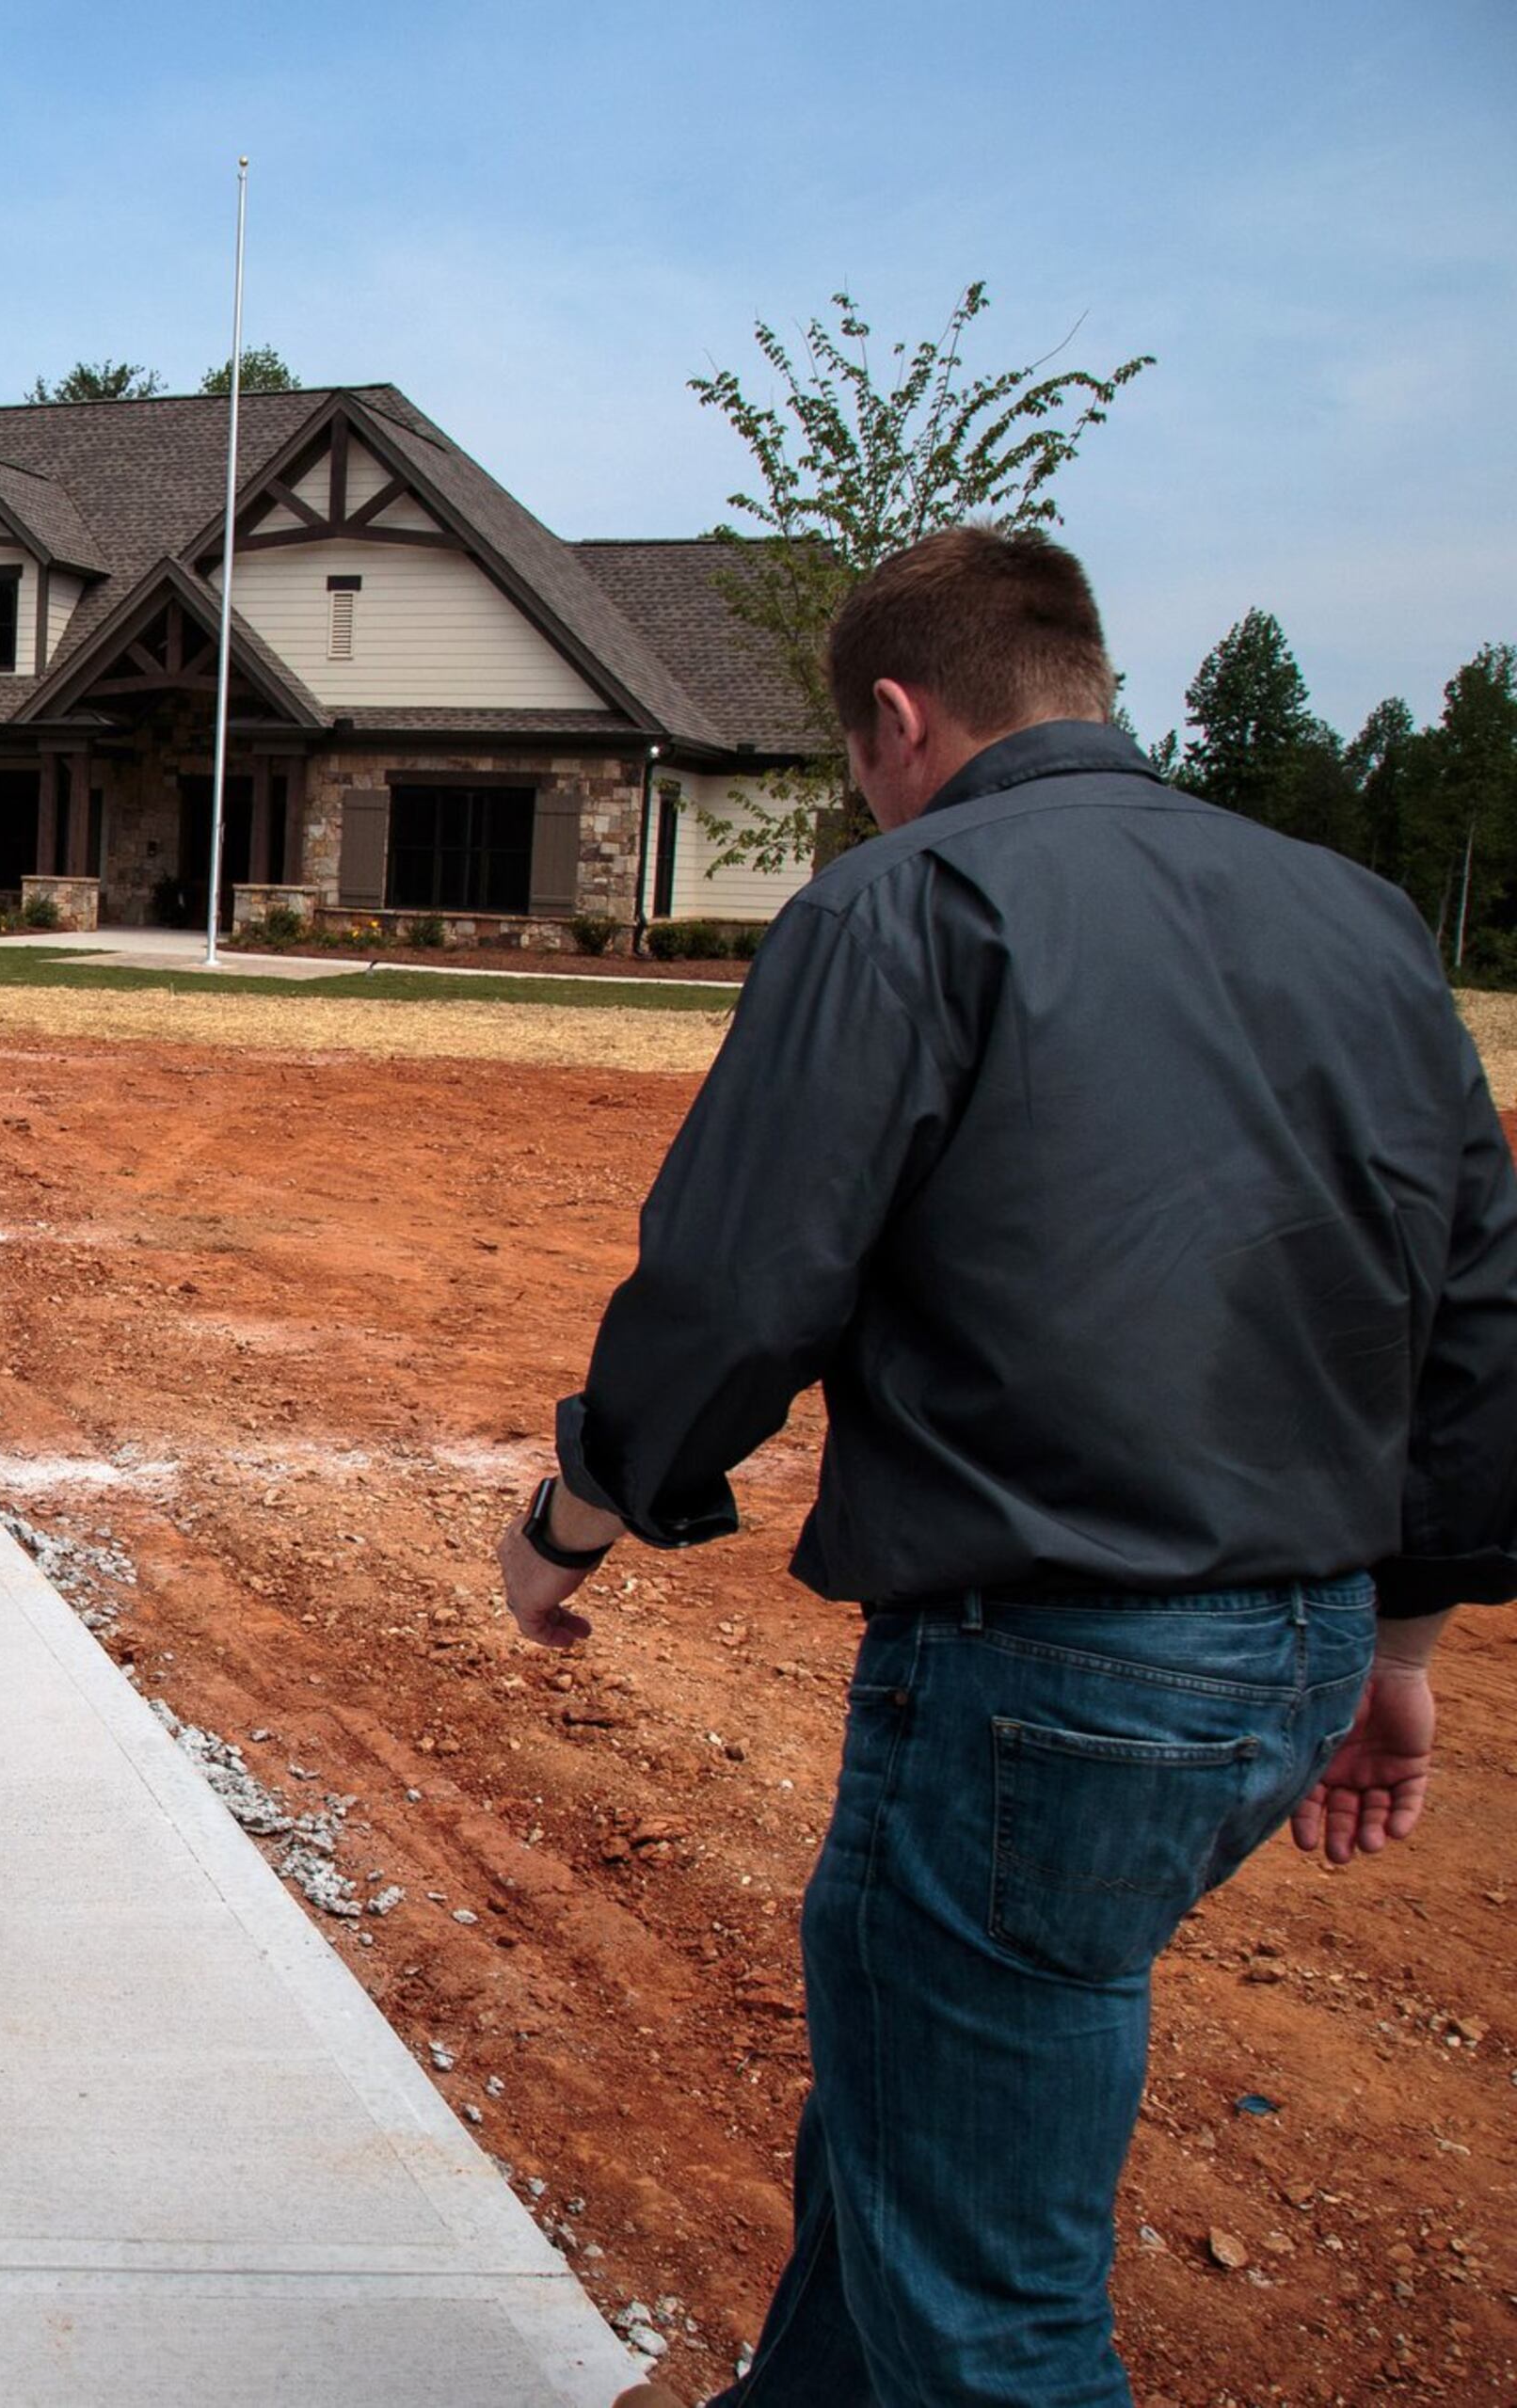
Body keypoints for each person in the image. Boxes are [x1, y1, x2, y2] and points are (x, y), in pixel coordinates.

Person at [499, 527, 1517, 2408]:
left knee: (989, 2309)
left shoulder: (903, 907)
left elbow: (741, 1280)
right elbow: (1471, 1305)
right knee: (916, 2116)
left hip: (1049, 1665)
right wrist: (1405, 1648)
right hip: (1291, 1651)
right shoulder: (1358, 917)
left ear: (895, 715)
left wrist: (581, 1507)